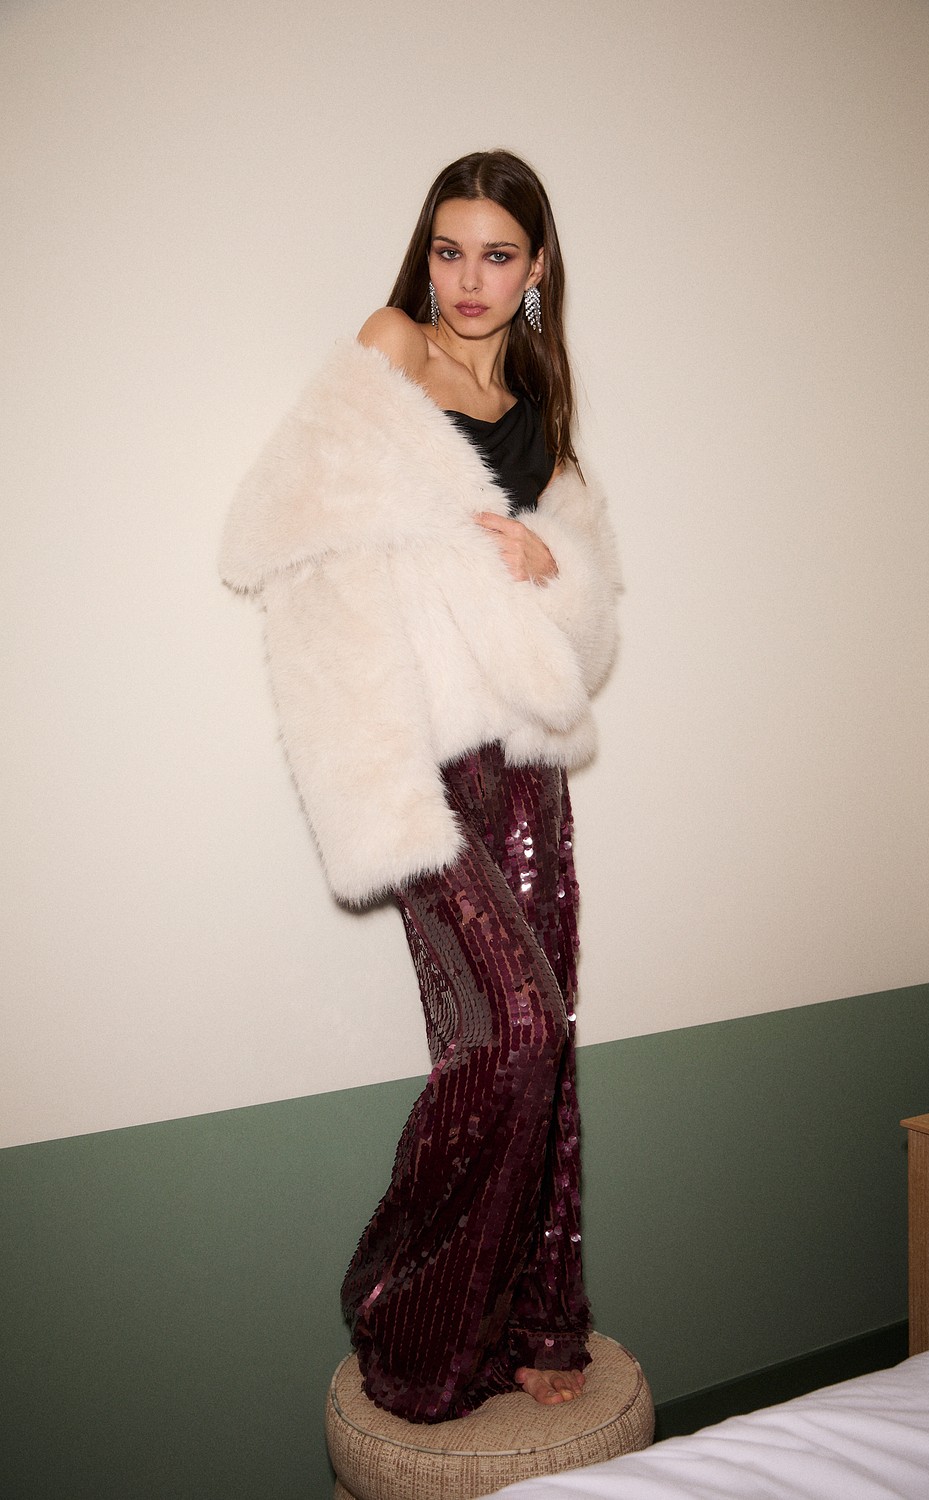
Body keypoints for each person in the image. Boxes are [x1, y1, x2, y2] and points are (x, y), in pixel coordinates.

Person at [219, 150, 619, 1423]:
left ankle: (537, 1318)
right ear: (425, 256)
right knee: (511, 1031)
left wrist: (547, 562)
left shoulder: (543, 413)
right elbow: (293, 538)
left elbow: (585, 620)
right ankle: (406, 1308)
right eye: (450, 250)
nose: (469, 279)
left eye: (498, 254)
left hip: (527, 770)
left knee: (548, 1042)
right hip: (425, 763)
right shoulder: (390, 348)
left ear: (537, 268)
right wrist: (369, 771)